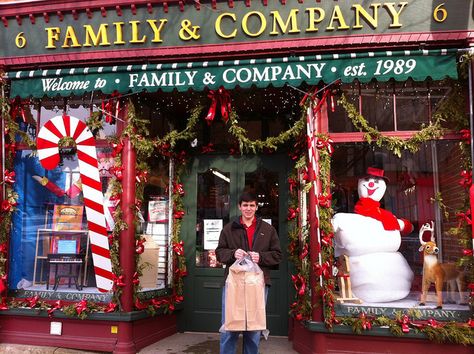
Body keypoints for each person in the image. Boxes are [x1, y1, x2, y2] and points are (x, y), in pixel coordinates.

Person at [216, 192, 282, 354]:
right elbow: (219, 253)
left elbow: (278, 255)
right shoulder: (229, 228)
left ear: (256, 207)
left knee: (254, 327)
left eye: (252, 205)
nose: (248, 208)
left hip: (258, 283)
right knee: (230, 325)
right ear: (239, 207)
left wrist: (261, 257)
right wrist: (232, 254)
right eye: (245, 205)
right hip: (233, 284)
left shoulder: (268, 229)